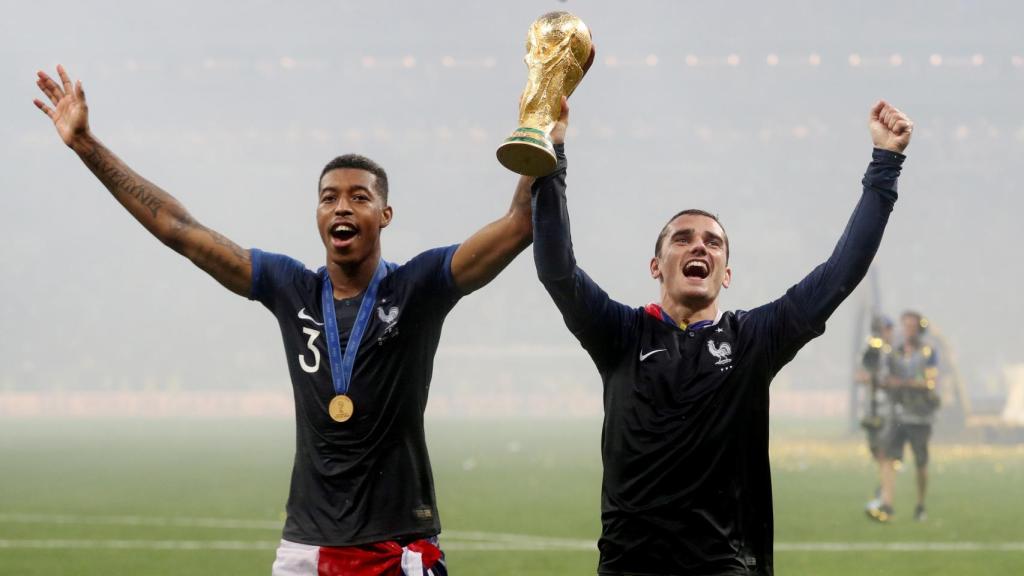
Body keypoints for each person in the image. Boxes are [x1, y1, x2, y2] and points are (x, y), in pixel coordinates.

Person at [33, 65, 535, 576]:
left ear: (385, 215)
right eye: (329, 198)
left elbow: (519, 226)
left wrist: (544, 131)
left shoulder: (418, 286)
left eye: (359, 197)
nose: (342, 207)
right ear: (316, 215)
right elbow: (180, 230)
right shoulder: (289, 286)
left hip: (399, 548)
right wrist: (86, 146)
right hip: (305, 551)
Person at [532, 97, 913, 575]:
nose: (699, 246)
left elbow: (841, 272)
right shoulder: (621, 333)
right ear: (657, 266)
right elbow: (556, 271)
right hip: (629, 566)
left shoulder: (753, 339)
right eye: (683, 238)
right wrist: (553, 156)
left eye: (713, 242)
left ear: (725, 274)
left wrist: (886, 163)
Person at [868, 310, 940, 523]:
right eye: (905, 325)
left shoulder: (928, 352)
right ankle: (888, 504)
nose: (907, 330)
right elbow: (883, 376)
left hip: (920, 415)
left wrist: (902, 383)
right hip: (898, 413)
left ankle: (920, 504)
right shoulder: (893, 352)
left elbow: (930, 382)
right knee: (889, 457)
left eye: (912, 326)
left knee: (920, 462)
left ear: (919, 329)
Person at [858, 315, 896, 514]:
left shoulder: (892, 353)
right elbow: (860, 375)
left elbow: (892, 379)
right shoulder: (871, 351)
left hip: (886, 410)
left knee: (885, 456)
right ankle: (884, 492)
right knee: (878, 454)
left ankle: (886, 500)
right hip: (871, 409)